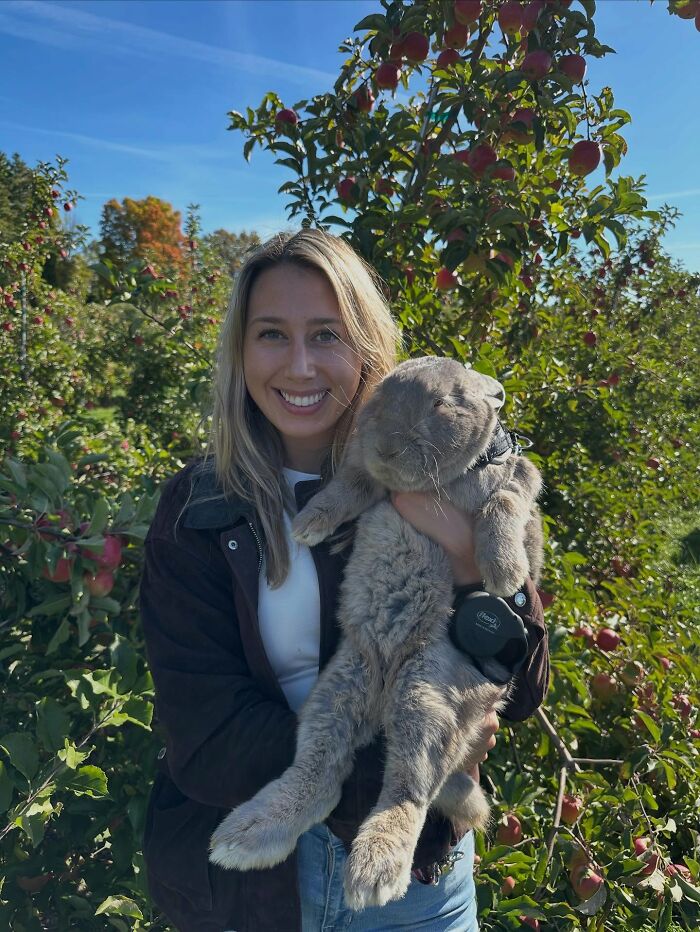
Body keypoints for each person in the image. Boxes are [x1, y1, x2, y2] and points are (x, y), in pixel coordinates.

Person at [139, 228, 549, 932]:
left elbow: (521, 690)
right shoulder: (200, 509)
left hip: (416, 890)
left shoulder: (442, 475)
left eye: (325, 334)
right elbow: (204, 737)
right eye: (272, 334)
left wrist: (475, 572)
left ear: (365, 345)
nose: (299, 366)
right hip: (257, 884)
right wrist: (403, 789)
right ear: (240, 350)